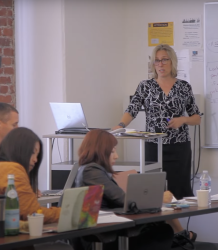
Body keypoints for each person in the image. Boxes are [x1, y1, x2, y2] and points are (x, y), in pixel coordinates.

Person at [112, 44, 201, 200]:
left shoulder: (184, 87)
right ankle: (157, 224)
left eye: (164, 60)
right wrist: (120, 126)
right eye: (157, 60)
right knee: (153, 191)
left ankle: (176, 224)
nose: (160, 64)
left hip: (179, 148)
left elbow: (196, 117)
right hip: (153, 146)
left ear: (172, 61)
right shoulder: (145, 86)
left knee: (178, 192)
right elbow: (131, 110)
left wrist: (183, 119)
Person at [75, 129, 176, 250]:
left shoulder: (93, 170)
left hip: (108, 227)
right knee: (161, 232)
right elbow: (122, 199)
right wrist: (159, 198)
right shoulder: (91, 171)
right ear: (100, 152)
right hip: (102, 233)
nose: (116, 156)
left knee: (161, 228)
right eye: (112, 151)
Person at [0, 127, 60, 230]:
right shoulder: (12, 169)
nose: (35, 160)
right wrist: (65, 213)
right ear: (20, 149)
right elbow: (31, 212)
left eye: (37, 155)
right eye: (33, 153)